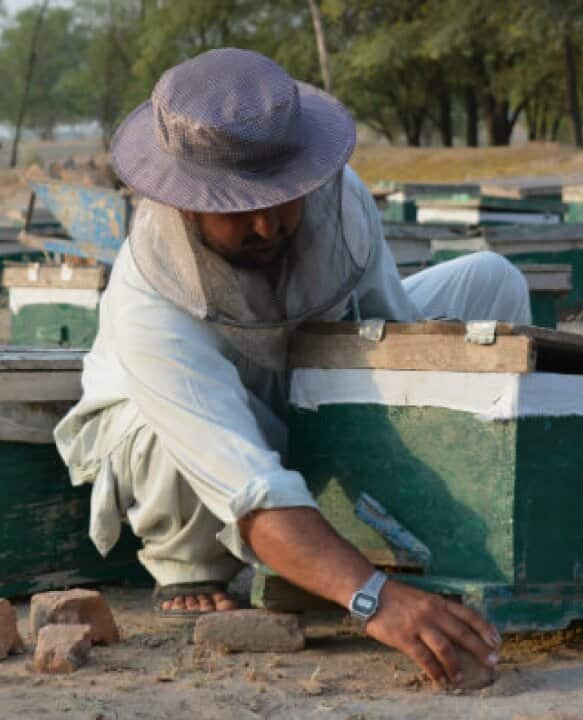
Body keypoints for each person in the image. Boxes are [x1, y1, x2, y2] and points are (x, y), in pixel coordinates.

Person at [54, 48, 530, 687]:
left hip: (309, 381)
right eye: (236, 207)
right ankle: (186, 564)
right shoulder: (149, 303)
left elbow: (397, 335)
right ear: (186, 202)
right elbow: (248, 486)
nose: (266, 222)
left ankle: (346, 532)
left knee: (490, 285)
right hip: (201, 433)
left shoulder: (340, 200)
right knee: (163, 439)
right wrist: (375, 597)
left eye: (282, 196)